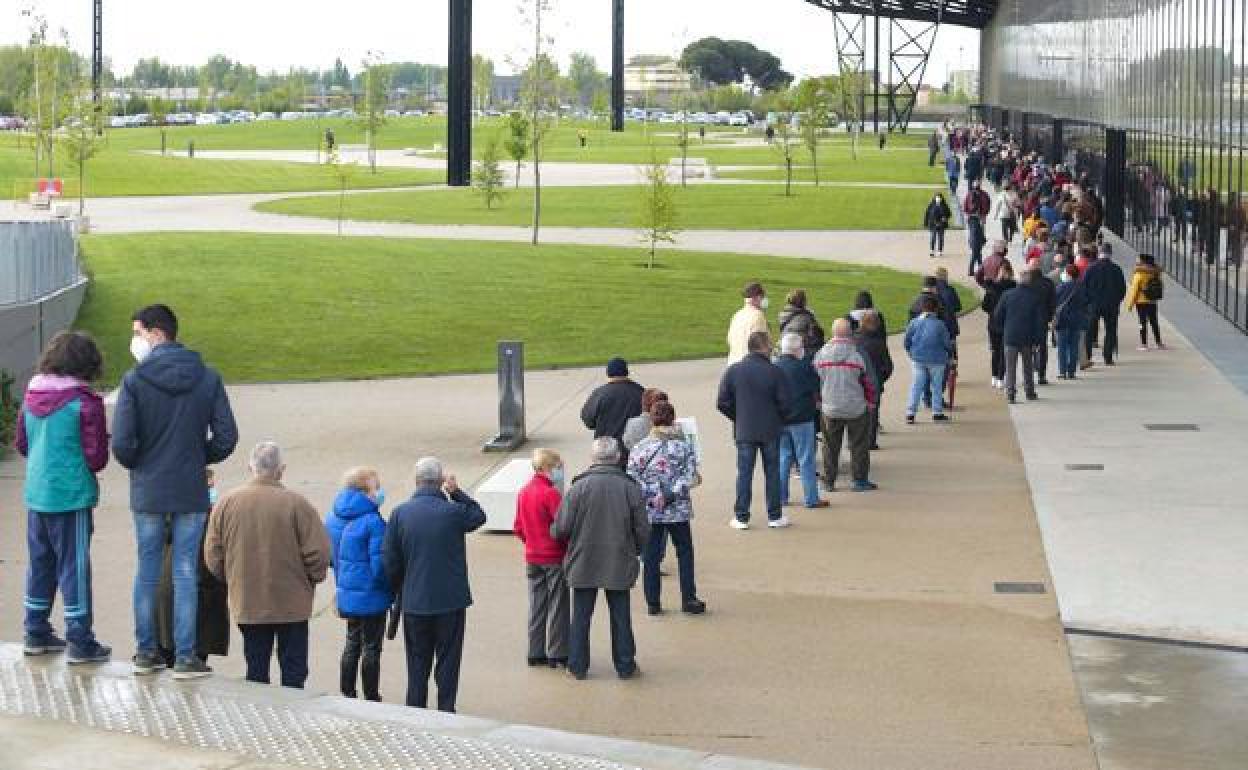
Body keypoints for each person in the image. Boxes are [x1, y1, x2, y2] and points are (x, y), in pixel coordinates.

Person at [112, 304, 238, 679]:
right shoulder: (207, 377)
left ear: (155, 333)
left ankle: (147, 651)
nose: (134, 340)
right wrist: (200, 457)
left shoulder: (135, 381)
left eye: (137, 332)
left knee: (147, 570)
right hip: (190, 488)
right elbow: (226, 437)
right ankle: (186, 655)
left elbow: (121, 444)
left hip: (150, 489)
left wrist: (143, 463)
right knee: (186, 571)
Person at [16, 332, 112, 664]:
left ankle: (35, 630)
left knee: (40, 562)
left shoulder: (31, 394)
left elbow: (22, 445)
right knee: (75, 566)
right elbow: (97, 457)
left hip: (37, 492)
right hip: (71, 496)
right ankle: (80, 639)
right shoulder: (85, 402)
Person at [204, 442, 330, 689]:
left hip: (248, 600)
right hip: (292, 604)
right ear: (281, 470)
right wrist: (310, 580)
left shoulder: (226, 504)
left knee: (256, 666)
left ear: (250, 467)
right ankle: (291, 719)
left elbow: (213, 555)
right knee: (294, 671)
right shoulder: (298, 505)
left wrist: (232, 578)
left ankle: (260, 717)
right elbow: (319, 554)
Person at [383, 457, 486, 712]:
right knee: (448, 661)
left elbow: (390, 561)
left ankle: (416, 710)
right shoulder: (453, 512)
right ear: (441, 482)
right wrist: (457, 492)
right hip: (450, 602)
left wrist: (400, 589)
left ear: (416, 481)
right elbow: (478, 516)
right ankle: (446, 710)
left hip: (415, 602)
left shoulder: (400, 514)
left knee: (417, 664)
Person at [554, 438, 650, 680]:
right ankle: (625, 665)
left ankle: (577, 666)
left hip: (584, 560)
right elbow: (643, 530)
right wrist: (634, 550)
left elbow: (562, 528)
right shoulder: (630, 488)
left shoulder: (578, 488)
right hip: (619, 559)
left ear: (593, 458)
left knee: (581, 617)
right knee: (621, 616)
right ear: (618, 457)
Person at [628, 402, 706, 616]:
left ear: (652, 420)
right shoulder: (683, 446)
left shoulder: (640, 447)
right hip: (677, 508)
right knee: (685, 553)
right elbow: (690, 476)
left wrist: (653, 496)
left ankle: (653, 602)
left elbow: (632, 478)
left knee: (651, 556)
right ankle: (688, 598)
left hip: (651, 510)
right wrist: (670, 494)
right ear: (673, 419)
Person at [325, 467, 394, 701]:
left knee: (352, 642)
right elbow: (380, 565)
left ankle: (347, 692)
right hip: (371, 595)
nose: (380, 491)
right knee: (372, 647)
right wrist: (389, 587)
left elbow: (331, 558)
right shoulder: (373, 522)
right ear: (365, 491)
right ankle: (371, 696)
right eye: (377, 486)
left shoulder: (333, 517)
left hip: (347, 592)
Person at [716, 331, 792, 529]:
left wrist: (738, 416)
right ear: (764, 347)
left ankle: (741, 517)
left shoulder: (734, 371)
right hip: (770, 430)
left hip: (745, 430)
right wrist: (777, 419)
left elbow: (722, 402)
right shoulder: (775, 372)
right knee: (772, 473)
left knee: (744, 474)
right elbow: (786, 404)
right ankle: (774, 516)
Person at [156, 468, 229, 669]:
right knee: (189, 674)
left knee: (167, 666)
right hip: (196, 608)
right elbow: (213, 562)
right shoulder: (204, 519)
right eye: (209, 485)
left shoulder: (164, 515)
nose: (214, 489)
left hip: (162, 609)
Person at [513, 448, 570, 668]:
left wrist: (531, 542)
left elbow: (518, 527)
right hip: (553, 557)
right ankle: (558, 652)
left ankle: (535, 651)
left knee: (537, 604)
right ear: (549, 467)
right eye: (558, 466)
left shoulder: (524, 492)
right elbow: (562, 526)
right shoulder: (551, 493)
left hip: (532, 556)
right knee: (558, 604)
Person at [813, 319, 877, 492]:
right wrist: (871, 402)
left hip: (830, 407)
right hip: (856, 407)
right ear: (850, 332)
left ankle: (829, 481)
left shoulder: (821, 354)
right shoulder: (859, 353)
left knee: (830, 446)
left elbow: (815, 380)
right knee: (859, 445)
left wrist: (818, 400)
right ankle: (860, 480)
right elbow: (870, 382)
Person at [775, 333, 827, 509]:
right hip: (802, 418)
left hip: (780, 419)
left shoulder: (774, 368)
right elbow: (816, 387)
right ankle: (811, 498)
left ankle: (781, 497)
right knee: (805, 459)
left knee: (783, 458)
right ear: (798, 350)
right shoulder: (804, 367)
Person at [991, 269, 1047, 403]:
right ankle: (1029, 391)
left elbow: (997, 315)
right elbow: (1040, 321)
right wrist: (1038, 339)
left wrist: (1003, 328)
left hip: (1010, 335)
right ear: (1030, 282)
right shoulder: (1035, 297)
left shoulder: (1007, 295)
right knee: (1028, 366)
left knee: (1010, 367)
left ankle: (1011, 394)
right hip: (1028, 337)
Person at [580, 357, 645, 457]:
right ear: (626, 372)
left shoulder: (600, 393)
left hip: (606, 451)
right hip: (635, 452)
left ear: (608, 373)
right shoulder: (641, 392)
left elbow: (588, 421)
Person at [903, 295, 953, 423]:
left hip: (918, 358)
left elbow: (907, 340)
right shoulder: (940, 324)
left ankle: (910, 413)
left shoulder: (914, 322)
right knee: (936, 386)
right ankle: (937, 412)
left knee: (916, 385)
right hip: (937, 359)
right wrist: (950, 355)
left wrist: (910, 352)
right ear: (935, 309)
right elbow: (947, 343)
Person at [1082, 245, 1128, 366]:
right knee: (1111, 330)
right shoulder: (1116, 269)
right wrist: (1117, 300)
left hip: (1094, 305)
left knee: (1089, 331)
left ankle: (1087, 356)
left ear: (1100, 253)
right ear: (1110, 254)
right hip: (1111, 305)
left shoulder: (1091, 268)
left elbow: (1084, 287)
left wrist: (1088, 302)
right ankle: (1108, 357)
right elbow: (1122, 289)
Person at [854, 310, 893, 450]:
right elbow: (888, 366)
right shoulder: (879, 343)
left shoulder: (853, 340)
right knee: (872, 412)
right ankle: (870, 441)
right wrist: (881, 378)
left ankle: (854, 440)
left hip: (854, 382)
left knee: (854, 412)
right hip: (873, 381)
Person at [1053, 265, 1089, 380]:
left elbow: (1054, 302)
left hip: (1062, 320)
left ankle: (1062, 371)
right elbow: (1086, 302)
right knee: (1073, 346)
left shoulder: (1060, 287)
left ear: (1068, 274)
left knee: (1062, 347)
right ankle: (1072, 371)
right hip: (1077, 320)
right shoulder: (1082, 287)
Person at [1125, 253, 1166, 351]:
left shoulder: (1139, 274)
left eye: (1138, 259)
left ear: (1143, 261)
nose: (1136, 261)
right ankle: (1159, 343)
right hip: (1152, 301)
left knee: (1142, 322)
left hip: (1141, 301)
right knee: (1154, 322)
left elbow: (1134, 290)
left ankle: (1144, 344)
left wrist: (1130, 305)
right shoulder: (1156, 272)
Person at [1026, 263, 1058, 386]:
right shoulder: (1048, 283)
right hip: (1043, 320)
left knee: (1028, 347)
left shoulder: (1027, 284)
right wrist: (1051, 317)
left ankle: (1032, 369)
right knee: (1042, 346)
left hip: (1028, 320)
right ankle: (1042, 375)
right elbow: (1053, 302)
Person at [727, 282, 770, 364]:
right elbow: (762, 344)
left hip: (733, 364)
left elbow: (729, 340)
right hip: (750, 365)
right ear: (757, 297)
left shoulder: (737, 315)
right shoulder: (758, 315)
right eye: (763, 297)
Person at [963, 182, 991, 276]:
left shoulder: (984, 194)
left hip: (980, 217)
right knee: (976, 247)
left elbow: (987, 204)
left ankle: (979, 268)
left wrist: (984, 215)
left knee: (978, 247)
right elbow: (966, 206)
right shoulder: (970, 194)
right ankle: (976, 269)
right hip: (973, 218)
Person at [923, 192, 953, 258]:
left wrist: (945, 217)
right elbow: (927, 214)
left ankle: (940, 251)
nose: (938, 198)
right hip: (933, 224)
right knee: (933, 237)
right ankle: (932, 251)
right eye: (937, 197)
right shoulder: (931, 205)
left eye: (939, 197)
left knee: (941, 238)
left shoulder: (944, 205)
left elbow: (949, 214)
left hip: (941, 225)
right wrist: (925, 223)